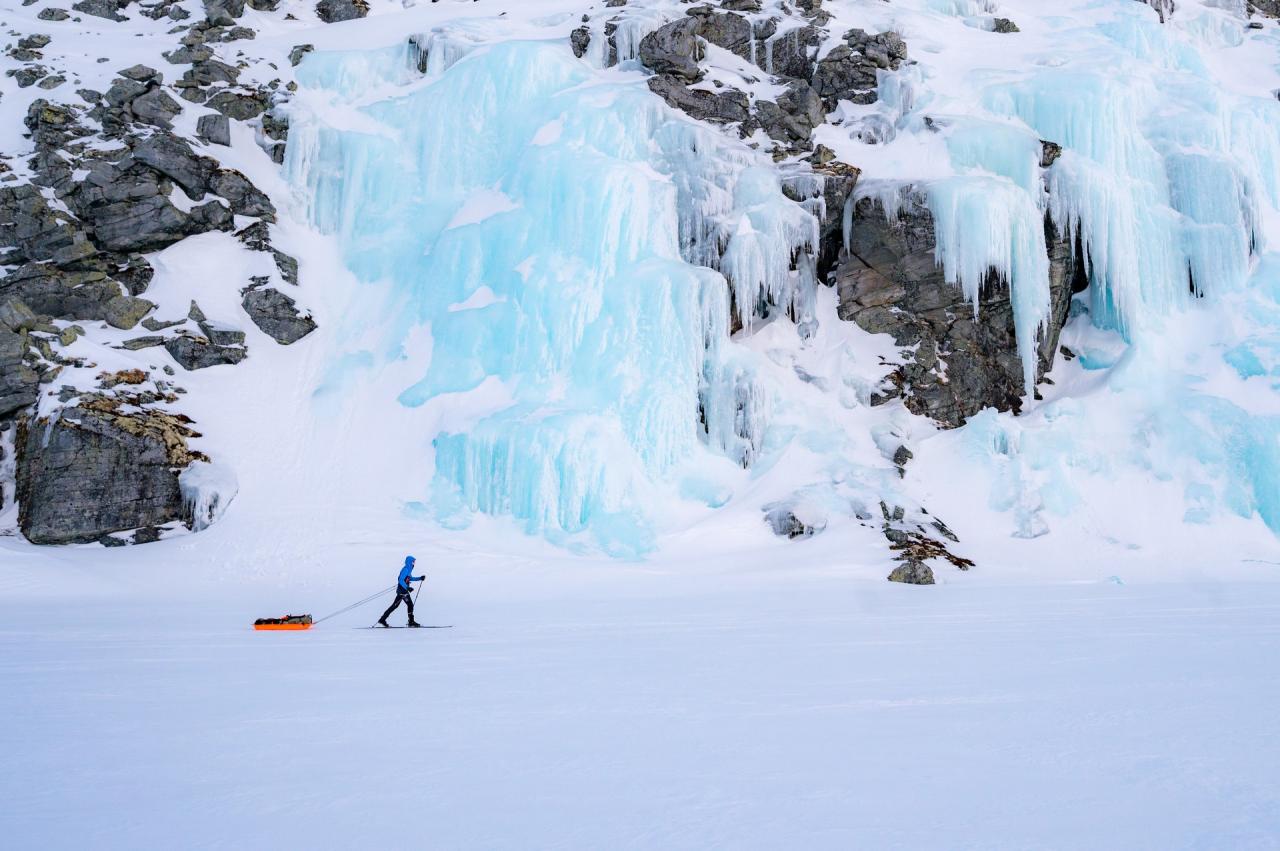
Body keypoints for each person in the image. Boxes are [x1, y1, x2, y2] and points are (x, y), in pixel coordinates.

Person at [377, 556, 424, 627]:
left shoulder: (408, 570)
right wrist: (407, 587)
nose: (414, 563)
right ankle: (410, 621)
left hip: (404, 591)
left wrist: (420, 578)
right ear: (409, 562)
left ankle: (383, 619)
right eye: (413, 561)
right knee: (398, 605)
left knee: (400, 605)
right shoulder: (405, 569)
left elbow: (410, 578)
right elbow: (401, 580)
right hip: (402, 591)